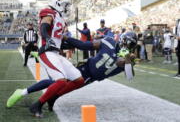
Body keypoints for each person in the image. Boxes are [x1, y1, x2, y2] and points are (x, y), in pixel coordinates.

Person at [6, 32, 137, 117]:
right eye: (125, 42)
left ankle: (51, 99)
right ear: (121, 39)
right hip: (84, 69)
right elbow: (83, 45)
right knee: (57, 83)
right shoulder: (109, 42)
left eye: (129, 45)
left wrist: (128, 62)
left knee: (64, 87)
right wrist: (67, 38)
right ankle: (26, 94)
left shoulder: (129, 59)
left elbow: (129, 75)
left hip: (91, 78)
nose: (125, 45)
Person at [23, 0, 84, 117]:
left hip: (55, 52)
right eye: (64, 3)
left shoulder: (60, 17)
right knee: (61, 81)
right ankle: (37, 105)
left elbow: (58, 39)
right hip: (47, 51)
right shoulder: (49, 12)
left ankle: (53, 97)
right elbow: (44, 26)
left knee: (79, 80)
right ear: (56, 2)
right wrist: (46, 37)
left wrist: (69, 45)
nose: (65, 7)